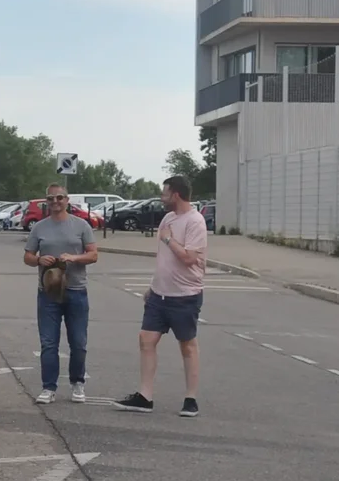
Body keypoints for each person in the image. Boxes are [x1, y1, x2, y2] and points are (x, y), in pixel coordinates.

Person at [113, 174, 207, 416]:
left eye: (165, 193)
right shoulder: (168, 218)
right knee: (146, 340)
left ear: (176, 194)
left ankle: (190, 399)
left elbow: (189, 258)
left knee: (187, 346)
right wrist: (152, 286)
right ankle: (145, 396)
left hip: (185, 295)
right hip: (159, 295)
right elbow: (164, 261)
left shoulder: (195, 221)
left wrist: (168, 239)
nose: (162, 198)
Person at [23, 183, 99, 403]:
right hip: (48, 292)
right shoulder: (40, 227)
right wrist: (39, 259)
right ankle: (48, 387)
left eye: (59, 198)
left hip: (76, 290)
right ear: (46, 202)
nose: (55, 202)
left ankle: (78, 383)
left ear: (67, 200)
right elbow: (27, 256)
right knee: (48, 343)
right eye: (51, 199)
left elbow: (93, 255)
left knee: (78, 342)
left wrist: (74, 258)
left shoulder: (81, 225)